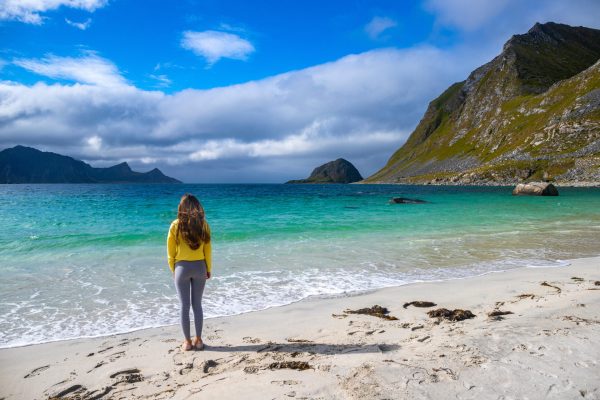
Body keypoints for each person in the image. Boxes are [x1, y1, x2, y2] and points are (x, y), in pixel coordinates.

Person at [167, 194, 212, 351]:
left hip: (182, 268)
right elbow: (208, 249)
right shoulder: (203, 225)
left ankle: (187, 342)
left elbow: (170, 252)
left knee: (184, 306)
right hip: (200, 267)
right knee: (197, 305)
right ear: (197, 207)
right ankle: (199, 341)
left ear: (182, 207)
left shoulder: (175, 225)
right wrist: (208, 268)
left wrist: (174, 269)